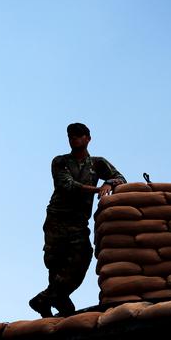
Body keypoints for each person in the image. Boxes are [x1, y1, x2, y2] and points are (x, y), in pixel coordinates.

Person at [29, 123, 126, 318]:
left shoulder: (97, 163)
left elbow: (120, 178)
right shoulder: (60, 161)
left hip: (78, 222)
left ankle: (45, 299)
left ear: (88, 138)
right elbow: (67, 185)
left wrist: (108, 182)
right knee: (56, 264)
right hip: (57, 219)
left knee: (82, 257)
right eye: (71, 136)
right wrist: (98, 190)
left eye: (79, 135)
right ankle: (56, 303)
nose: (74, 139)